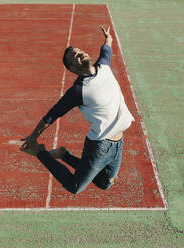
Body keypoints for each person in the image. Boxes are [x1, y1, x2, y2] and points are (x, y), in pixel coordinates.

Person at [20, 26, 134, 195]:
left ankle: (63, 155)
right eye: (75, 57)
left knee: (104, 183)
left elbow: (106, 49)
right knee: (74, 186)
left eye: (80, 51)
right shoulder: (78, 90)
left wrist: (108, 38)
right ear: (72, 69)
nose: (80, 54)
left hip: (119, 141)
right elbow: (51, 115)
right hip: (100, 145)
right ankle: (40, 152)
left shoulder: (104, 66)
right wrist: (33, 137)